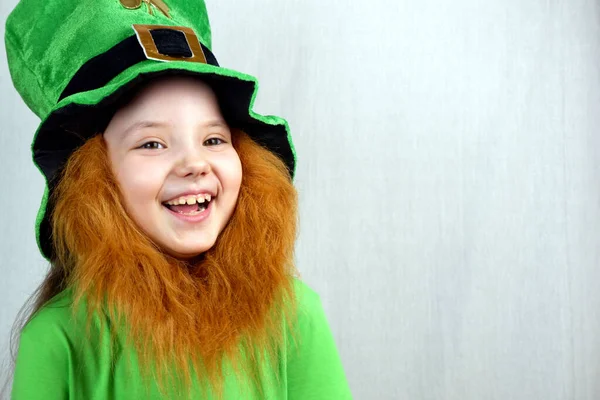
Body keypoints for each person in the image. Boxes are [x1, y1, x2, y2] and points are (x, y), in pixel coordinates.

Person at [4, 0, 352, 398]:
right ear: (93, 180)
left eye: (214, 139)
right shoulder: (57, 338)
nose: (193, 163)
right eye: (152, 143)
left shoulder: (293, 316)